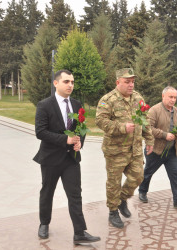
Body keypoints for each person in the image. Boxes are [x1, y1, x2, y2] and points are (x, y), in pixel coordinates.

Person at [33, 70, 100, 244]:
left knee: (75, 195)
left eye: (72, 82)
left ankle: (79, 233)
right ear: (56, 83)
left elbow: (81, 128)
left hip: (71, 159)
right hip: (50, 158)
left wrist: (80, 142)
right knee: (47, 192)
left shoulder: (77, 105)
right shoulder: (44, 105)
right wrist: (65, 139)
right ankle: (44, 223)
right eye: (66, 81)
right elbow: (40, 132)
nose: (70, 85)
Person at [95, 68, 154, 228]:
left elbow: (145, 118)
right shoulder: (108, 100)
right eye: (127, 81)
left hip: (134, 149)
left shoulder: (138, 97)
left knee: (138, 176)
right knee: (114, 182)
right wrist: (121, 127)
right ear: (118, 82)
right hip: (115, 150)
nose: (131, 85)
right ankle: (113, 212)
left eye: (133, 81)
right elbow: (100, 121)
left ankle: (121, 200)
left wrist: (149, 138)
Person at [138, 86, 177, 210]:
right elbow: (147, 128)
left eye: (175, 97)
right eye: (170, 97)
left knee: (176, 175)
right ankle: (142, 191)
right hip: (156, 150)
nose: (173, 100)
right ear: (163, 96)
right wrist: (164, 135)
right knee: (148, 172)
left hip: (172, 150)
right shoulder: (154, 110)